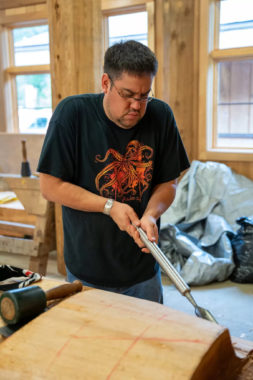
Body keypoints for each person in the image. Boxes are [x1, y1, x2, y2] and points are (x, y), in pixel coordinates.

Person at [37, 40, 190, 303]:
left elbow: (169, 182)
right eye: (128, 94)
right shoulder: (73, 114)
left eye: (144, 96)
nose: (136, 106)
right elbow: (50, 186)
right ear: (106, 83)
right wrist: (109, 206)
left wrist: (152, 215)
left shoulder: (160, 115)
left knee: (147, 340)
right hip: (87, 269)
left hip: (143, 269)